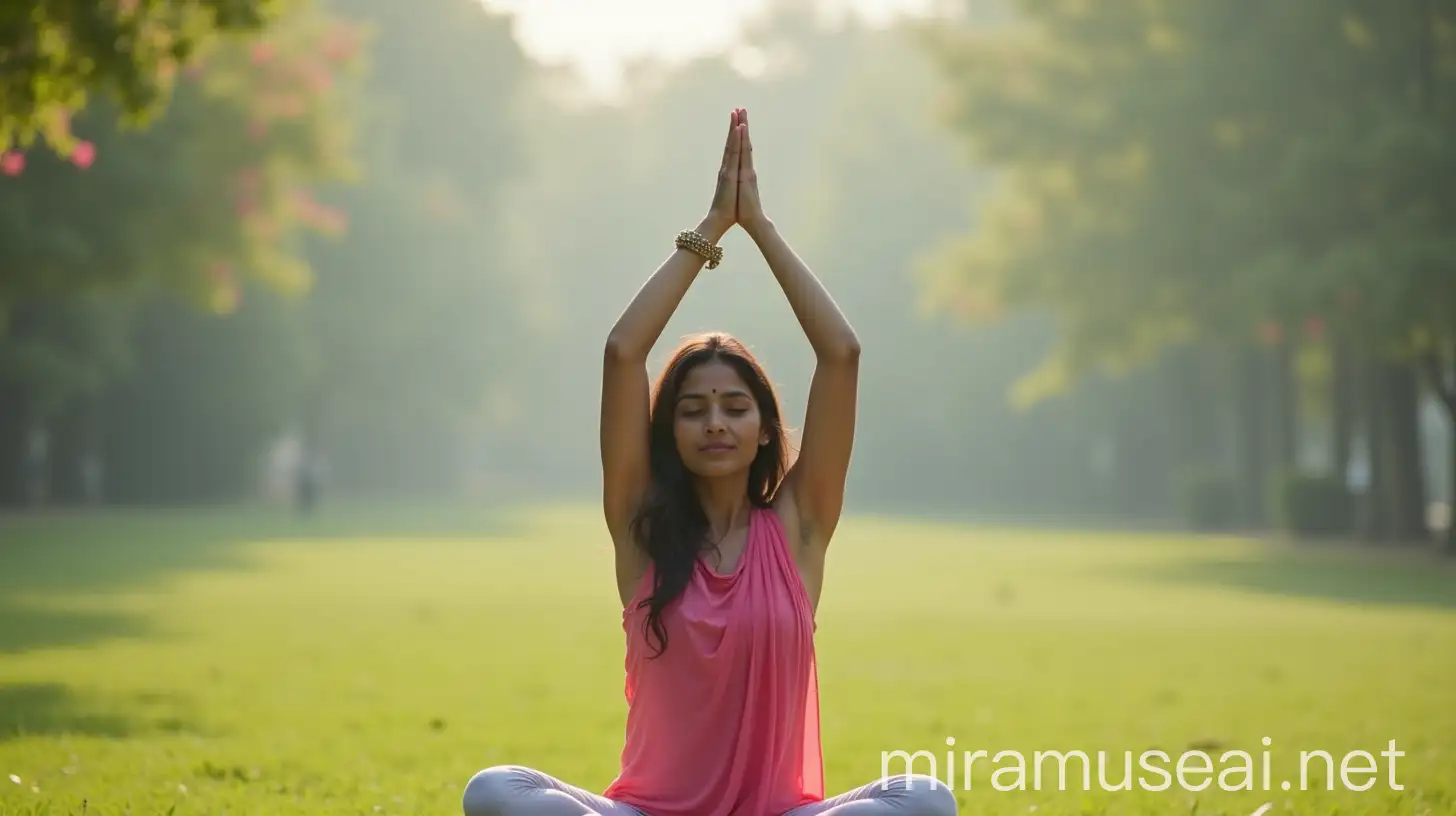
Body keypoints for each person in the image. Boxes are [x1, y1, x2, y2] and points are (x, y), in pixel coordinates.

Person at [462, 109, 956, 816]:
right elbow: (622, 352)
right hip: (645, 813)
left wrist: (759, 225)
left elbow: (841, 354)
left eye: (734, 406)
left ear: (763, 429)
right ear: (670, 432)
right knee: (496, 790)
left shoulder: (800, 527)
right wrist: (709, 232)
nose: (715, 422)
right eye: (693, 409)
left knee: (926, 797)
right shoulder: (640, 529)